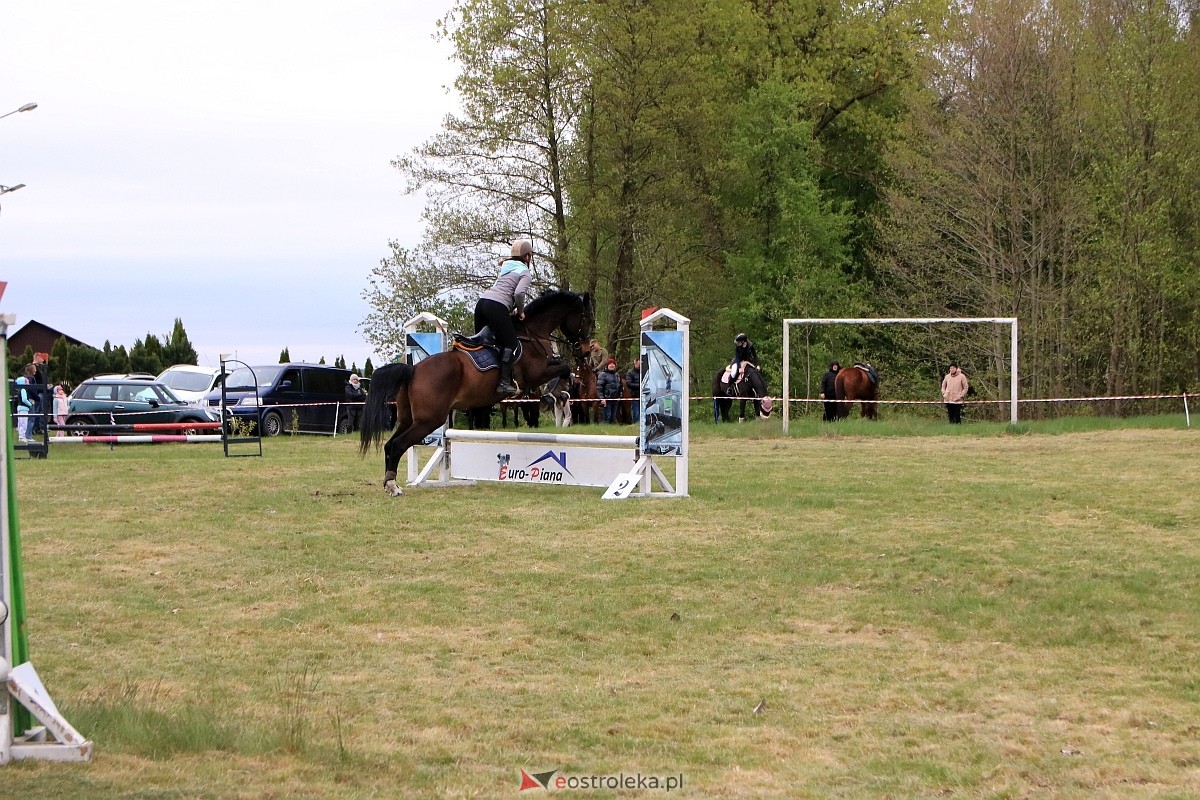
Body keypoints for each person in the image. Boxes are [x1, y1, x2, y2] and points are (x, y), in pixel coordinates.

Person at [475, 240, 534, 395]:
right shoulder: (525, 272)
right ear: (527, 257)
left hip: (481, 304)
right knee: (511, 343)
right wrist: (520, 310)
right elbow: (519, 293)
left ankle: (477, 383)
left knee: (482, 344)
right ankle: (503, 383)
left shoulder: (505, 269)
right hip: (497, 306)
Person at [15, 363, 36, 443]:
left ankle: (21, 436)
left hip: (20, 408)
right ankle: (22, 436)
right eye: (26, 382)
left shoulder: (20, 390)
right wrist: (30, 404)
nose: (28, 383)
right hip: (24, 408)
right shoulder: (24, 390)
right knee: (24, 423)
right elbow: (24, 399)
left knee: (20, 423)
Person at [597, 359, 623, 423]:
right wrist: (602, 399)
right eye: (610, 364)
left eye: (613, 364)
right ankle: (605, 430)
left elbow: (620, 386)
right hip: (607, 399)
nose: (612, 365)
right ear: (607, 365)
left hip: (615, 399)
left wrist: (620, 396)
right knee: (607, 416)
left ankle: (611, 431)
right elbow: (599, 387)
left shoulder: (617, 375)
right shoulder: (602, 375)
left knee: (613, 417)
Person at [625, 359, 642, 424]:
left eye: (641, 364)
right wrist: (640, 385)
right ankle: (636, 427)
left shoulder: (644, 371)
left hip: (644, 395)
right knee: (636, 413)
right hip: (635, 395)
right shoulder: (630, 372)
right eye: (639, 364)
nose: (640, 366)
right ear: (635, 363)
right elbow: (628, 384)